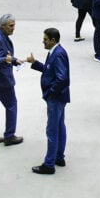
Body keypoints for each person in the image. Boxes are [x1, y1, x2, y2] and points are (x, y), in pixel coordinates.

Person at [25, 27, 70, 175]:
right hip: (59, 97)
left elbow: (62, 79)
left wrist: (50, 93)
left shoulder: (57, 55)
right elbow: (49, 70)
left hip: (55, 98)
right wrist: (35, 63)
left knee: (52, 129)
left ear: (53, 40)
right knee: (59, 126)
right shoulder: (55, 53)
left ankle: (49, 164)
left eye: (45, 39)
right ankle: (59, 157)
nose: (42, 42)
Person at [0, 14, 25, 146]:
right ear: (3, 26)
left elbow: (3, 56)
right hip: (1, 80)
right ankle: (9, 136)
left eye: (14, 25)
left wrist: (14, 60)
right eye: (11, 26)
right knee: (12, 105)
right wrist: (9, 59)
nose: (13, 28)